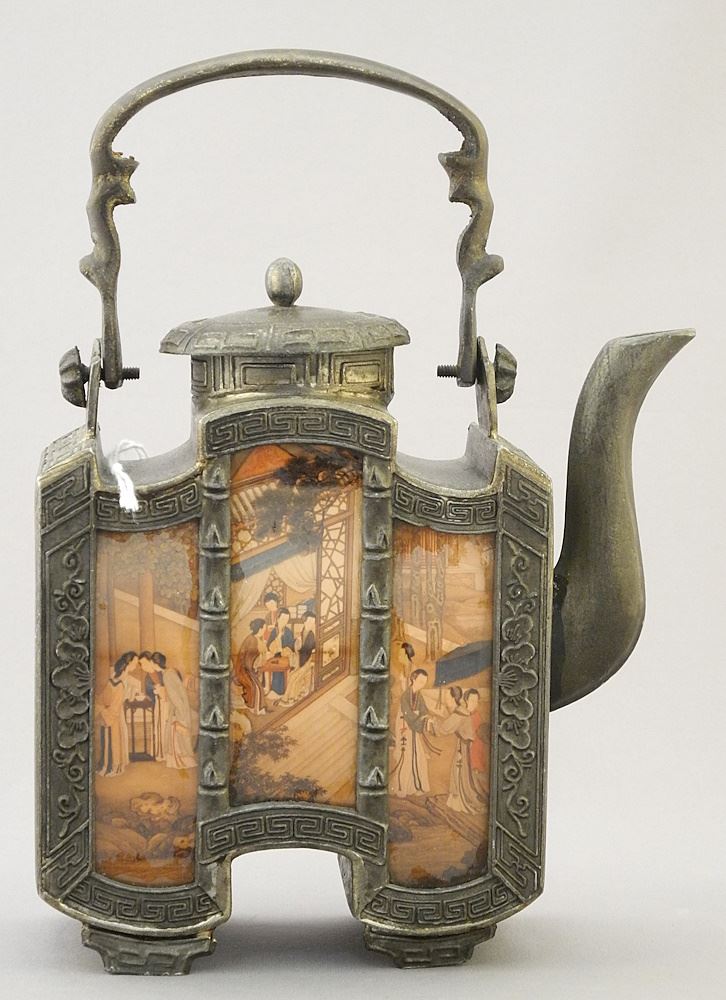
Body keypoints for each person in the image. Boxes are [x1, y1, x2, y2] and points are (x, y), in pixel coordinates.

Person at [430, 686, 485, 814]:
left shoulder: (465, 714)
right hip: (463, 748)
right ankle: (460, 800)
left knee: (463, 774)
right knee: (461, 774)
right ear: (466, 700)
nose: (474, 704)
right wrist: (434, 723)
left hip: (467, 749)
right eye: (472, 700)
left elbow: (444, 728)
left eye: (476, 701)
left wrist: (433, 723)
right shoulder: (462, 714)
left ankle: (463, 800)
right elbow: (445, 728)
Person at [390, 668, 439, 797]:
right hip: (404, 727)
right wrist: (420, 720)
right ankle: (402, 789)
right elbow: (408, 715)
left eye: (424, 682)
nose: (423, 684)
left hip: (413, 726)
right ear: (413, 679)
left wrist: (427, 718)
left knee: (418, 756)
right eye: (421, 681)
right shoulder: (405, 696)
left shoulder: (419, 695)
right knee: (406, 756)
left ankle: (416, 786)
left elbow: (424, 711)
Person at [147, 651, 196, 769]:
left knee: (177, 737)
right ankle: (180, 761)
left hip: (178, 709)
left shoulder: (167, 675)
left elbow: (175, 696)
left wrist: (177, 714)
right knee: (177, 737)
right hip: (179, 707)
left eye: (151, 662)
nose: (151, 665)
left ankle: (181, 762)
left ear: (156, 663)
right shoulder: (170, 672)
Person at [96, 651, 138, 776]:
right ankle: (111, 766)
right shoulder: (118, 680)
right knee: (113, 738)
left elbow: (126, 698)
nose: (136, 665)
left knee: (116, 738)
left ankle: (114, 766)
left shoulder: (126, 679)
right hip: (114, 713)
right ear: (128, 663)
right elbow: (108, 697)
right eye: (135, 662)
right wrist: (107, 711)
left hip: (116, 711)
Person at [279, 613, 316, 706]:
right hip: (301, 660)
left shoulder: (311, 635)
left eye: (313, 622)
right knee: (292, 676)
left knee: (294, 677)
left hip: (307, 661)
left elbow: (307, 651)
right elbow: (298, 648)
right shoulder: (302, 632)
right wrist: (294, 646)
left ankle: (291, 699)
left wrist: (298, 647)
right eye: (310, 621)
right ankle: (286, 698)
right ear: (304, 621)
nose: (311, 623)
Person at [138, 650, 169, 762]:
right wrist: (144, 696)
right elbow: (149, 695)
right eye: (141, 665)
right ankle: (159, 753)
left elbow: (169, 687)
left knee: (166, 726)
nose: (143, 667)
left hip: (167, 703)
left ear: (150, 661)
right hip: (157, 705)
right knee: (158, 728)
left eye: (144, 663)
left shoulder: (161, 672)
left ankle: (167, 753)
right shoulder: (147, 679)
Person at [233, 618, 267, 715]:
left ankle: (258, 708)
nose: (265, 630)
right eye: (264, 628)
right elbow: (247, 659)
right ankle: (253, 708)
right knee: (256, 687)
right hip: (244, 669)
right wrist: (253, 669)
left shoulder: (257, 639)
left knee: (258, 687)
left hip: (251, 668)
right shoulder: (252, 640)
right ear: (260, 628)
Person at [266, 606, 295, 697]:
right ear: (278, 619)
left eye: (287, 619)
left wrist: (284, 651)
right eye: (283, 619)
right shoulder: (274, 631)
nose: (284, 622)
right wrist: (278, 637)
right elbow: (269, 646)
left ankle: (284, 692)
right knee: (276, 673)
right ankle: (275, 691)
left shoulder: (288, 632)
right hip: (275, 657)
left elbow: (291, 646)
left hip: (286, 657)